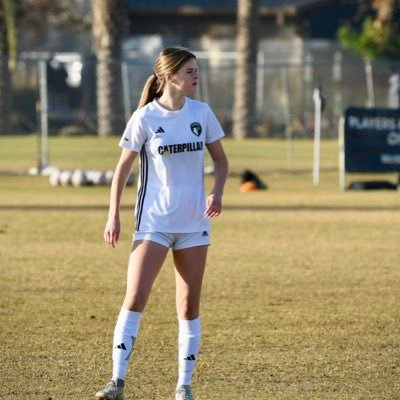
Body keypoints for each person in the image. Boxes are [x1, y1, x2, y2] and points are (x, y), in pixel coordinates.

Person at [95, 47, 229, 400]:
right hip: (153, 222)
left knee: (188, 306)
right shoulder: (145, 118)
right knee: (136, 295)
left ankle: (184, 387)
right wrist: (114, 214)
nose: (196, 76)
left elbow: (222, 161)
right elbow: (122, 170)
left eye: (197, 70)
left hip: (194, 224)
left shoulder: (202, 113)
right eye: (189, 71)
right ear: (169, 77)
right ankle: (116, 383)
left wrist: (216, 192)